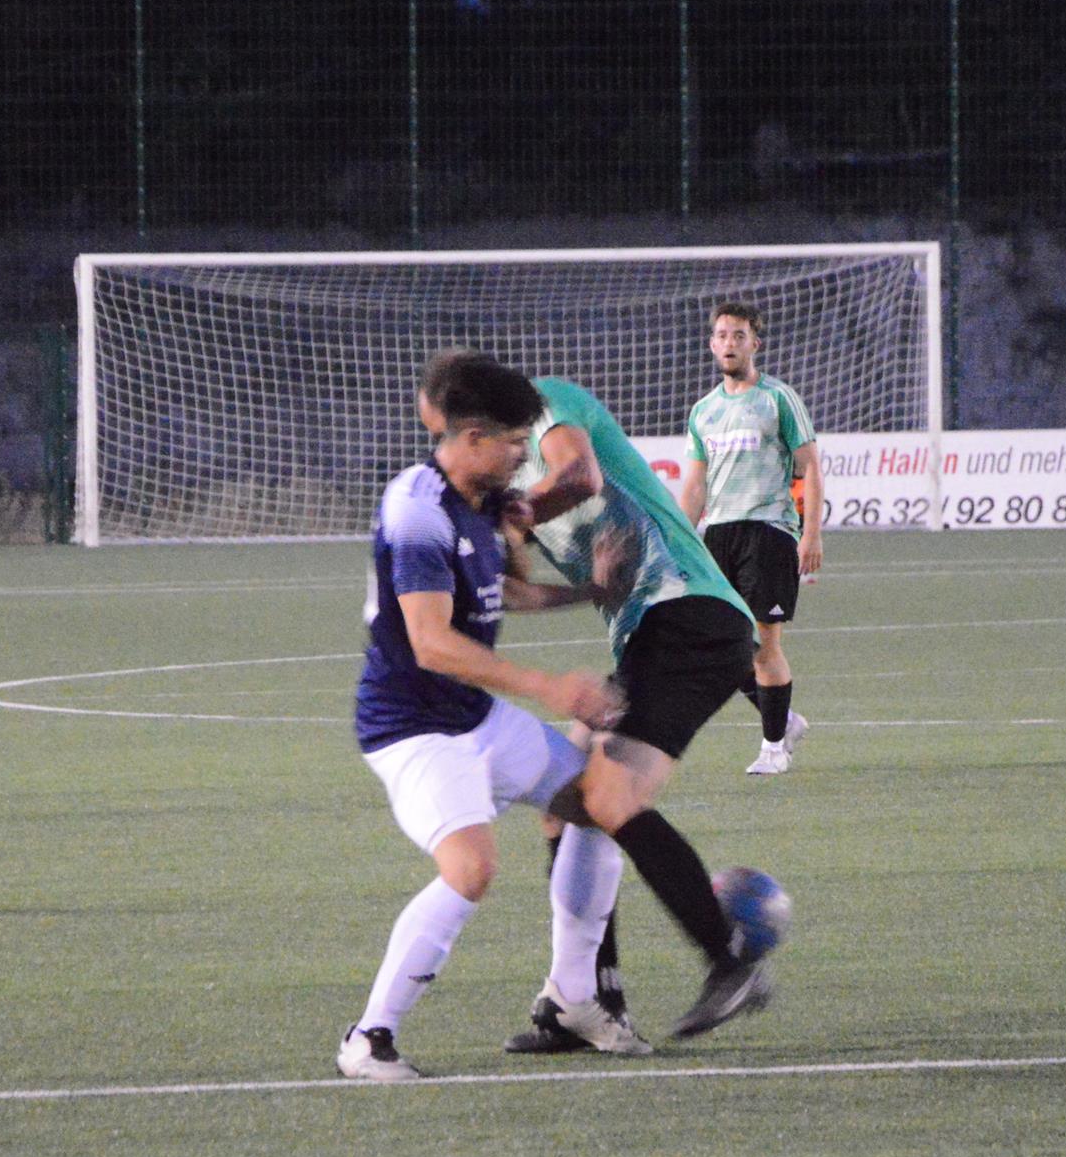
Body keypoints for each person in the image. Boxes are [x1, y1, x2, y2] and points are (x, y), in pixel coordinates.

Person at [339, 351, 646, 1082]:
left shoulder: (483, 501)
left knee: (601, 803)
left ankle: (574, 997)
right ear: (471, 438)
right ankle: (369, 1039)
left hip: (474, 717)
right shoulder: (417, 508)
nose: (521, 457)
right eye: (512, 443)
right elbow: (432, 642)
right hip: (414, 730)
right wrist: (549, 688)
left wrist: (590, 590)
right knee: (471, 869)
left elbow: (502, 594)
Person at [499, 371, 781, 1046]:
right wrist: (497, 531)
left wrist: (515, 514)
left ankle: (730, 961)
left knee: (609, 794)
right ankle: (587, 1002)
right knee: (564, 799)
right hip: (650, 635)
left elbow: (580, 475)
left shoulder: (548, 405)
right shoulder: (504, 484)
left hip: (689, 612)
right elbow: (512, 585)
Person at [677, 301, 825, 775]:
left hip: (769, 531)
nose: (729, 343)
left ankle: (773, 748)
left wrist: (811, 533)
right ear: (711, 344)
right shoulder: (703, 411)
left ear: (754, 344)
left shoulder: (778, 399)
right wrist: (680, 541)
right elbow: (695, 486)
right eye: (722, 335)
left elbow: (810, 467)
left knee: (763, 644)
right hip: (718, 534)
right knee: (718, 645)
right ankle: (784, 720)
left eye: (738, 336)